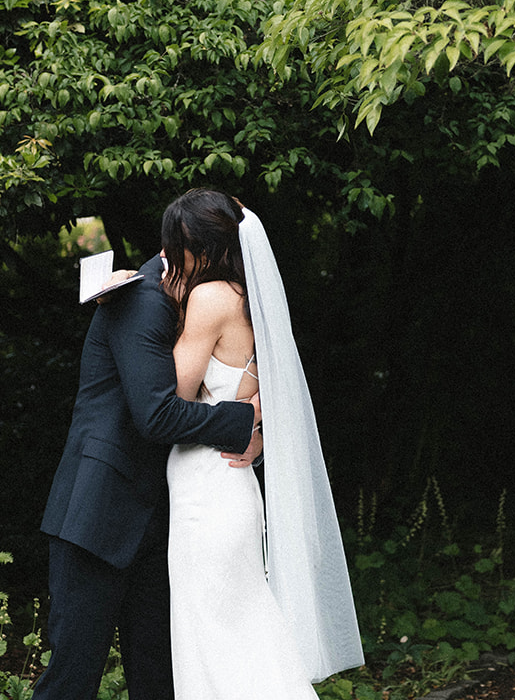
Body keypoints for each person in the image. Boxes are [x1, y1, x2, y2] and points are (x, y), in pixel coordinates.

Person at [33, 223, 262, 700]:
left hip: (163, 521)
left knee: (159, 677)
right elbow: (156, 415)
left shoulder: (195, 302)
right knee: (73, 677)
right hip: (99, 511)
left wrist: (260, 426)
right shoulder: (141, 298)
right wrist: (244, 420)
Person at [160, 189, 364, 697]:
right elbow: (278, 388)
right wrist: (256, 421)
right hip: (235, 483)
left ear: (198, 248)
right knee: (245, 633)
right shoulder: (252, 298)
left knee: (213, 637)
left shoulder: (207, 299)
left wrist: (168, 304)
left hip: (205, 487)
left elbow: (175, 394)